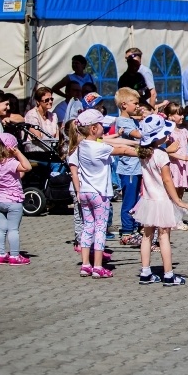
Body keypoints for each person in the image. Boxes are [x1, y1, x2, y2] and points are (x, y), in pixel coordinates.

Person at [68, 109, 138, 278]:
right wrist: (145, 153)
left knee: (87, 227)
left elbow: (73, 171)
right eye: (101, 125)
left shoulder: (79, 146)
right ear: (93, 128)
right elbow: (123, 150)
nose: (103, 128)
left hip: (84, 192)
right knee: (100, 228)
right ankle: (98, 266)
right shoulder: (99, 147)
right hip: (100, 194)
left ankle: (85, 264)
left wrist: (78, 191)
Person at [132, 115, 188, 286]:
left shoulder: (144, 153)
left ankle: (145, 272)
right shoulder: (161, 155)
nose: (167, 136)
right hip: (162, 200)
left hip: (148, 200)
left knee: (147, 236)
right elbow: (167, 180)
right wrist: (178, 200)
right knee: (164, 236)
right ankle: (168, 275)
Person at [0, 133, 32, 264]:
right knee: (13, 229)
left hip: (0, 200)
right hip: (13, 201)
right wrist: (18, 153)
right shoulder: (12, 163)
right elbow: (28, 167)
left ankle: (0, 254)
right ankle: (14, 256)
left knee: (1, 229)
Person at [163, 102, 188, 230]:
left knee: (180, 192)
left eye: (182, 114)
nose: (182, 117)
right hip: (173, 166)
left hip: (183, 167)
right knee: (172, 193)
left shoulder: (184, 131)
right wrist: (183, 158)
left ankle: (178, 219)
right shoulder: (168, 132)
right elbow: (167, 151)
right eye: (179, 114)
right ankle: (170, 219)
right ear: (170, 116)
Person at [114, 87, 144, 246]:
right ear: (124, 105)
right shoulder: (122, 121)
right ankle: (127, 231)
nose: (138, 106)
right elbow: (138, 135)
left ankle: (135, 228)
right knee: (129, 201)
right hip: (129, 169)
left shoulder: (132, 120)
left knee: (137, 200)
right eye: (135, 103)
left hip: (137, 167)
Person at [23, 87, 59, 151]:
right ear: (38, 101)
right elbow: (37, 138)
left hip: (52, 150)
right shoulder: (32, 115)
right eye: (47, 100)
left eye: (51, 99)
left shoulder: (53, 116)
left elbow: (57, 137)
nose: (50, 101)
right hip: (35, 151)